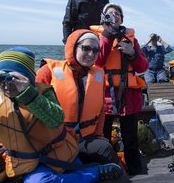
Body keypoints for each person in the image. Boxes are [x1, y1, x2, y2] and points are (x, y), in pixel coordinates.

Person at [0, 47, 122, 183]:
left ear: (28, 78)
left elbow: (56, 119)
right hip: (28, 163)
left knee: (102, 152)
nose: (8, 84)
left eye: (15, 77)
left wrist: (27, 94)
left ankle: (88, 173)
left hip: (61, 154)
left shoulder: (43, 93)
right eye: (2, 78)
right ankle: (93, 173)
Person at [36, 29, 119, 165]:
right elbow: (29, 108)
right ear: (73, 47)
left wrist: (99, 135)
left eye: (96, 50)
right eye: (86, 48)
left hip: (86, 138)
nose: (91, 54)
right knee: (103, 152)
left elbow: (101, 109)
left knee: (107, 151)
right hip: (56, 140)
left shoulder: (98, 75)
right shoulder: (47, 72)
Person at [91, 3, 149, 175]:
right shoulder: (95, 37)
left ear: (122, 19)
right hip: (105, 96)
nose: (113, 16)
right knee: (103, 137)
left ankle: (135, 171)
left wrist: (133, 52)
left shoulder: (131, 39)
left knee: (131, 139)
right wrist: (108, 34)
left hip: (129, 97)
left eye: (117, 14)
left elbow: (143, 67)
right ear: (103, 18)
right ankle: (106, 170)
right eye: (109, 14)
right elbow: (97, 61)